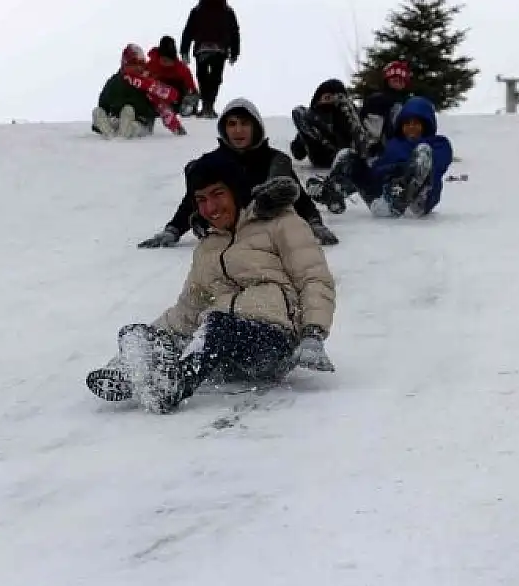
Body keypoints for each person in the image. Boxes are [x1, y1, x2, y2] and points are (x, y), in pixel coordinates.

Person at [86, 152, 336, 414]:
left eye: (218, 194)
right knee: (139, 333)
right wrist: (151, 338)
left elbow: (314, 278)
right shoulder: (207, 247)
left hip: (274, 342)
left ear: (236, 191)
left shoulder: (281, 224)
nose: (210, 208)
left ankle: (175, 384)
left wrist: (313, 334)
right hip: (220, 347)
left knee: (218, 325)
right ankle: (127, 371)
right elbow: (188, 310)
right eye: (201, 200)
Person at [137, 97, 339, 247]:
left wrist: (315, 223)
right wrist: (173, 230)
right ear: (224, 129)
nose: (238, 130)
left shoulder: (274, 160)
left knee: (281, 165)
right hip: (226, 226)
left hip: (264, 227)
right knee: (197, 169)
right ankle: (207, 222)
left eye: (244, 123)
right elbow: (193, 199)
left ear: (255, 127)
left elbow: (299, 199)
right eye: (232, 124)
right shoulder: (211, 161)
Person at [309, 95, 453, 218]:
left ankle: (401, 194)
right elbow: (377, 170)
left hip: (418, 200)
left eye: (416, 123)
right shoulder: (394, 143)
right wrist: (361, 175)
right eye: (407, 123)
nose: (411, 127)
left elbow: (438, 165)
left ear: (426, 124)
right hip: (382, 197)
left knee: (423, 152)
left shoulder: (438, 143)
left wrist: (404, 171)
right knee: (347, 155)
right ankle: (333, 192)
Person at [92, 43, 186, 138]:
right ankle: (109, 132)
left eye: (140, 64)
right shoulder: (115, 82)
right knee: (98, 111)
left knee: (128, 111)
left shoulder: (147, 83)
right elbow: (104, 102)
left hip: (142, 122)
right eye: (133, 64)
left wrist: (176, 127)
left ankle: (124, 133)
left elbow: (162, 106)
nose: (137, 68)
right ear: (124, 64)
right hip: (117, 120)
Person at [179, 0, 240, 119]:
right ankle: (209, 106)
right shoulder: (227, 11)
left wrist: (184, 51)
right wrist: (234, 52)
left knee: (202, 78)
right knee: (215, 78)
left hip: (202, 48)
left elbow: (188, 31)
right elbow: (235, 32)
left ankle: (206, 105)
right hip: (220, 50)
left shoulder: (197, 10)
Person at [289, 78, 375, 169]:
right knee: (298, 112)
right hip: (323, 155)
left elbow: (362, 133)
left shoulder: (348, 114)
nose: (333, 101)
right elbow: (298, 153)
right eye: (328, 97)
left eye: (339, 98)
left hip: (348, 154)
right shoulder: (312, 120)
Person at [358, 60, 414, 153]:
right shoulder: (377, 99)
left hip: (405, 143)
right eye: (394, 79)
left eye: (401, 80)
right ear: (387, 80)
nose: (398, 82)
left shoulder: (409, 102)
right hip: (381, 144)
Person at [147, 36, 200, 117]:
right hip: (155, 104)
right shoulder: (150, 67)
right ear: (159, 57)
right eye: (164, 60)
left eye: (170, 60)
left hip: (177, 105)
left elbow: (192, 91)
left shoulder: (182, 69)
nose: (167, 63)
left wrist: (190, 101)